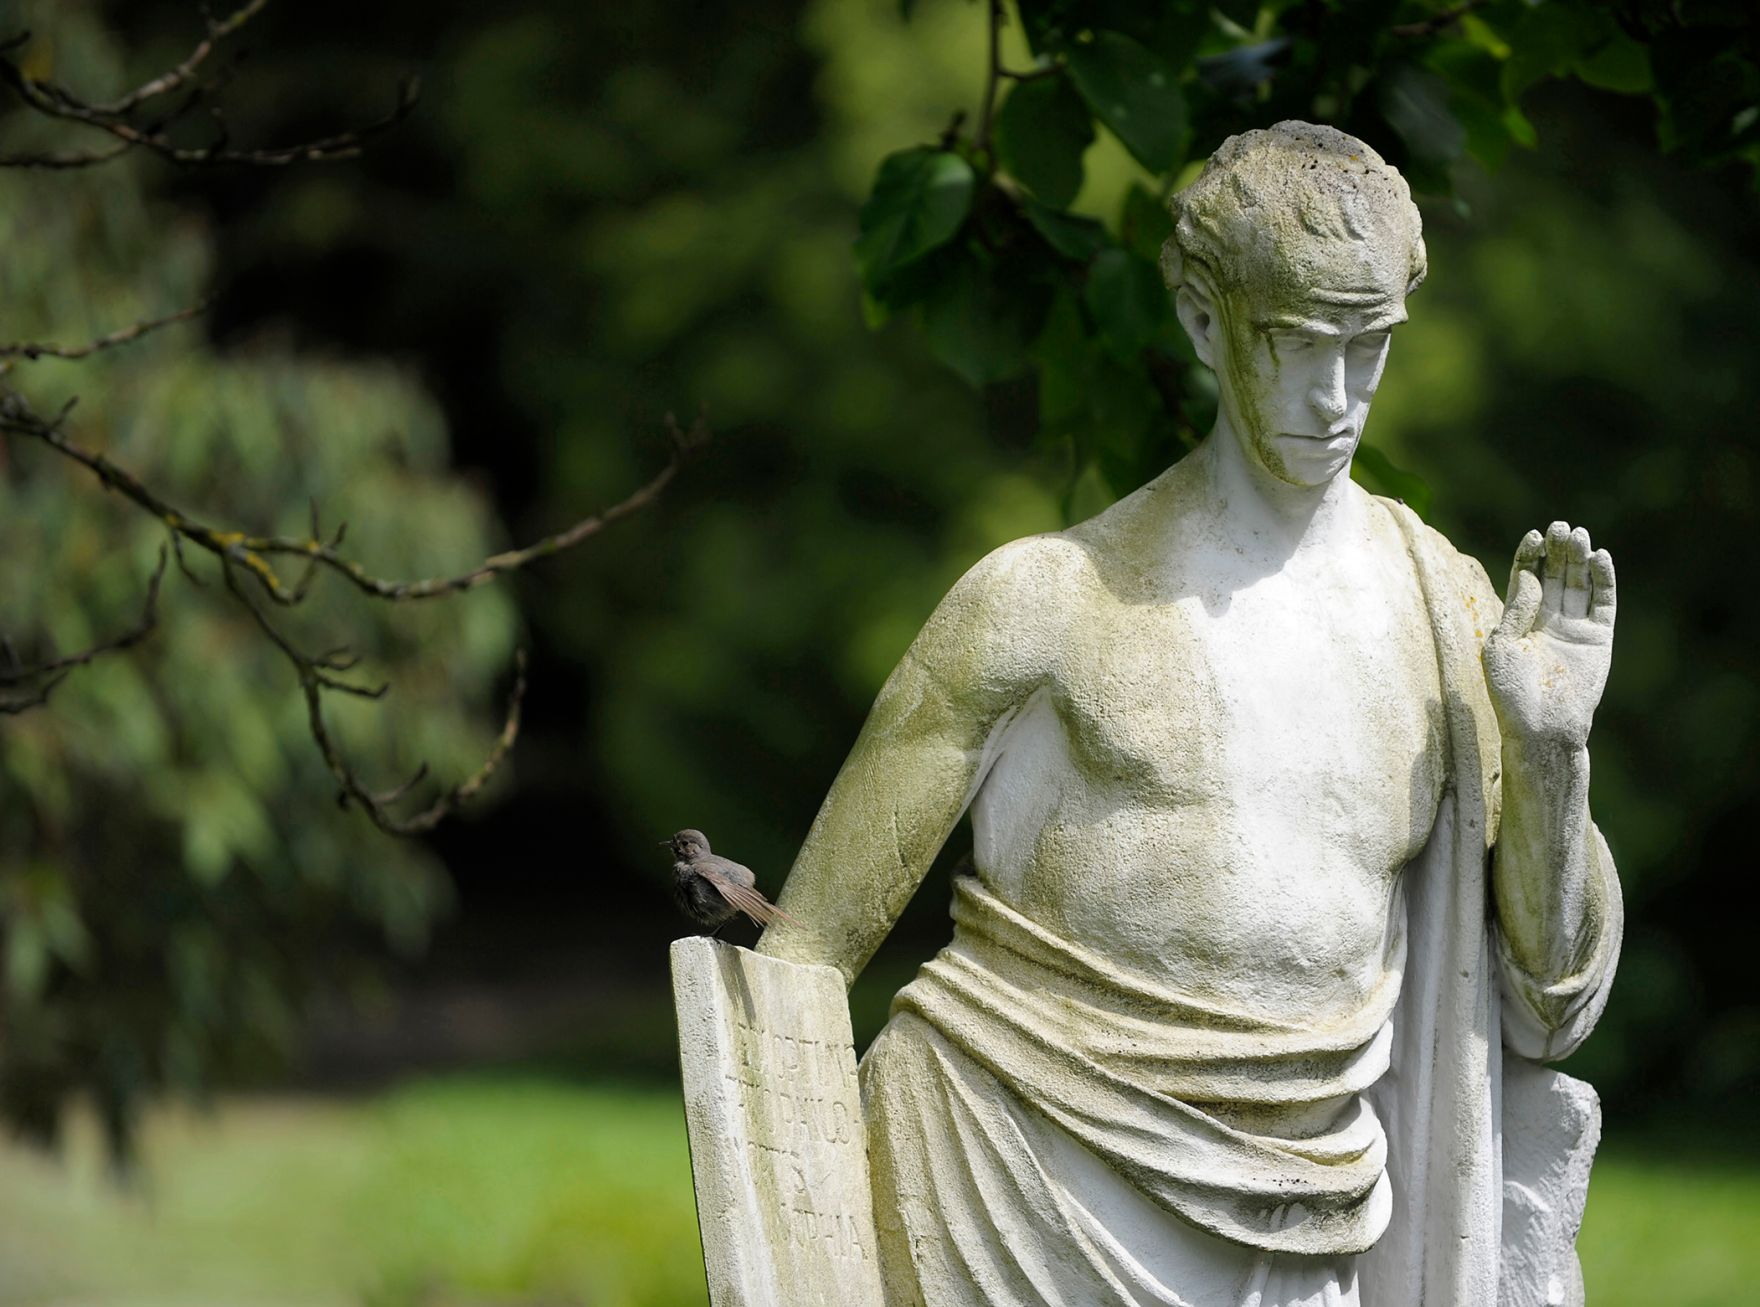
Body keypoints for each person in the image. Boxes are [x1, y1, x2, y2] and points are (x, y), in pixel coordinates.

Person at [756, 121, 1621, 1307]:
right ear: (1204, 320)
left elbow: (1549, 999)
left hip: (1303, 1219)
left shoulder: (1448, 615)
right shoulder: (1042, 600)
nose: (1334, 396)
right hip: (1004, 1190)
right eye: (1294, 344)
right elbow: (797, 964)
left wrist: (1550, 750)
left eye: (1366, 347)